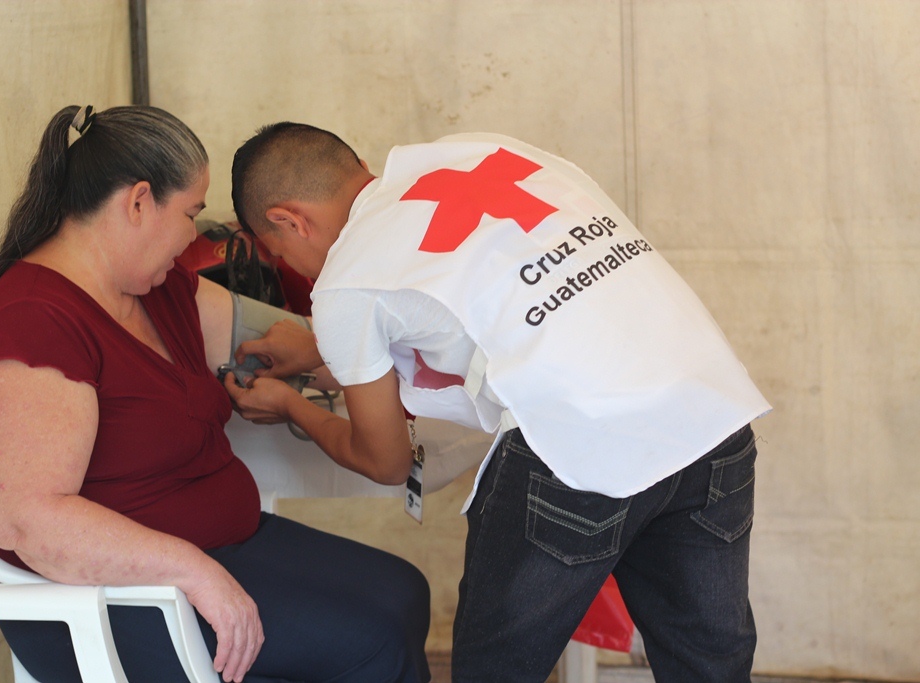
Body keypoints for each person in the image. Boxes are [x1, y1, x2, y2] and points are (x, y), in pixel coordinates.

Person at [227, 123, 773, 683]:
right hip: (710, 411)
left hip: (579, 451)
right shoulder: (483, 150)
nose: (296, 267)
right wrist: (324, 350)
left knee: (497, 671)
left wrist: (290, 406)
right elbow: (497, 305)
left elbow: (385, 460)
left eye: (280, 252)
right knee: (710, 663)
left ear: (287, 219)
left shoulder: (346, 283)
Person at [0, 106, 431, 683]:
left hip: (211, 547)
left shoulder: (154, 288)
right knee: (368, 641)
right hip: (104, 596)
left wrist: (349, 349)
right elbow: (26, 520)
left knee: (402, 592)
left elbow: (270, 335)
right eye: (190, 214)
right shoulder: (32, 320)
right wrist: (192, 571)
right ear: (137, 202)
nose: (192, 237)